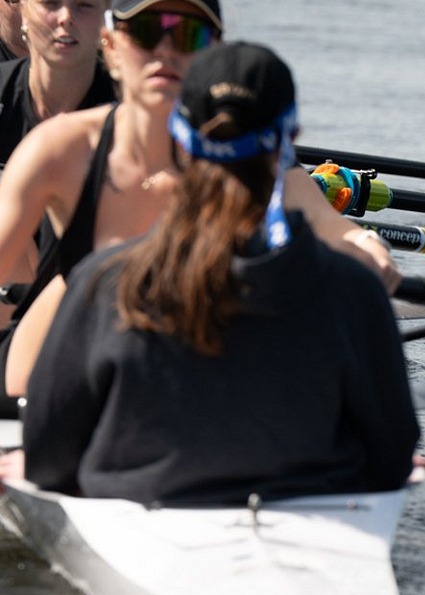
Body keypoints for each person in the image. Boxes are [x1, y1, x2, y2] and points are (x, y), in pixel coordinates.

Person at [18, 40, 418, 505]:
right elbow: (392, 458)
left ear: (179, 140)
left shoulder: (104, 281)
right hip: (311, 510)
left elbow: (47, 461)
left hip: (140, 509)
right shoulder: (355, 291)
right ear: (289, 141)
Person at [0, 0, 397, 409]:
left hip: (177, 379)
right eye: (148, 32)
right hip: (52, 385)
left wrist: (368, 248)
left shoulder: (241, 152)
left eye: (189, 35)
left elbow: (326, 223)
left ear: (214, 54)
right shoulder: (59, 150)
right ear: (112, 46)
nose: (166, 52)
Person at [0, 0, 118, 163]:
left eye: (84, 5)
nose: (66, 18)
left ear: (105, 14)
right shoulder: (3, 89)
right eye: (51, 3)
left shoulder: (131, 107)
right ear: (24, 12)